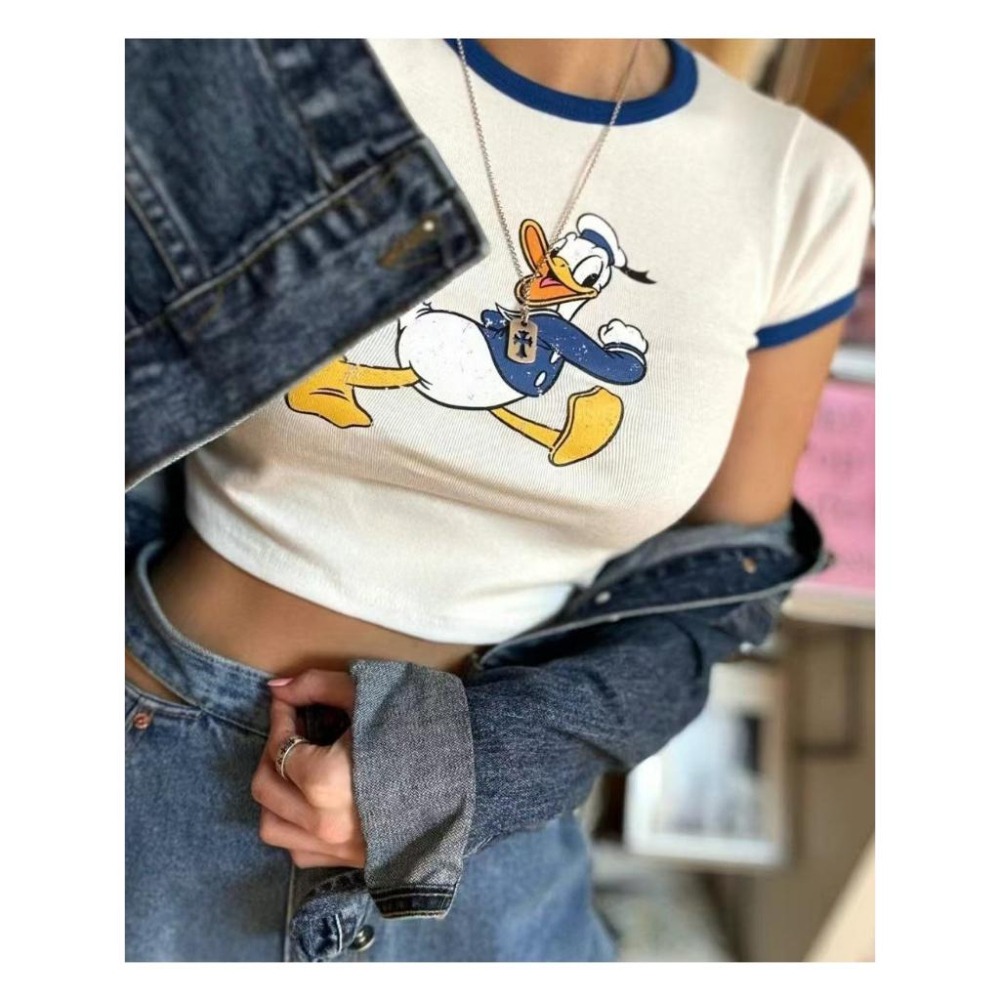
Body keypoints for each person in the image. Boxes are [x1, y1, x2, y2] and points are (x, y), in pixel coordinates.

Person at [125, 38, 873, 961]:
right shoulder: (263, 53)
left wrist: (477, 770)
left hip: (482, 831)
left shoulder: (801, 183)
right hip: (155, 756)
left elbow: (719, 585)